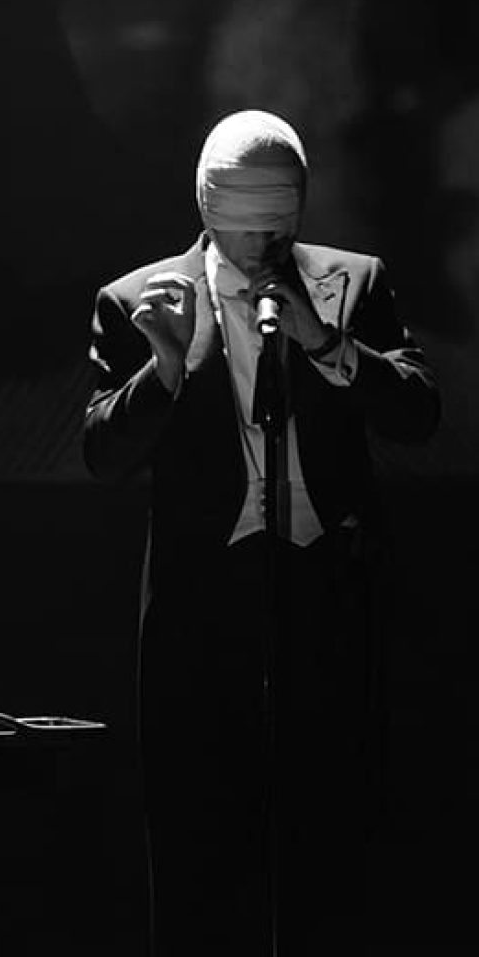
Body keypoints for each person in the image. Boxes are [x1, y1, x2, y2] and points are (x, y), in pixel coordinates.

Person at [83, 110, 440, 956]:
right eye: (240, 232)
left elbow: (418, 414)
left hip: (328, 594)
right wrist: (163, 370)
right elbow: (101, 454)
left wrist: (325, 344)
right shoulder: (137, 298)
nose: (257, 250)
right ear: (205, 211)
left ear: (300, 213)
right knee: (201, 848)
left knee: (333, 843)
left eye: (274, 231)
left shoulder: (354, 282)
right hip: (201, 609)